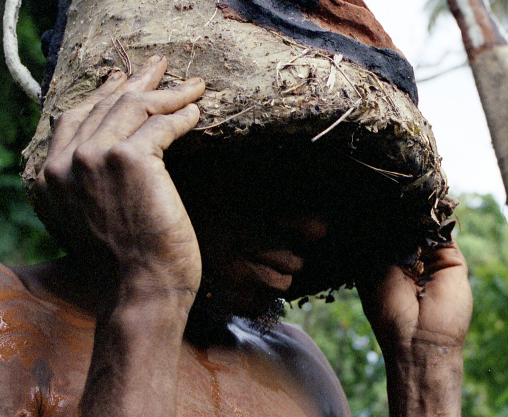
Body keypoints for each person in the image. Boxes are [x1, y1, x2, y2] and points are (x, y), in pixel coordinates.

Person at [0, 55, 472, 416]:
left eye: (332, 198)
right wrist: (150, 288)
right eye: (278, 176)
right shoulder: (9, 315)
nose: (314, 227)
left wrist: (424, 370)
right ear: (159, 150)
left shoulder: (297, 363)